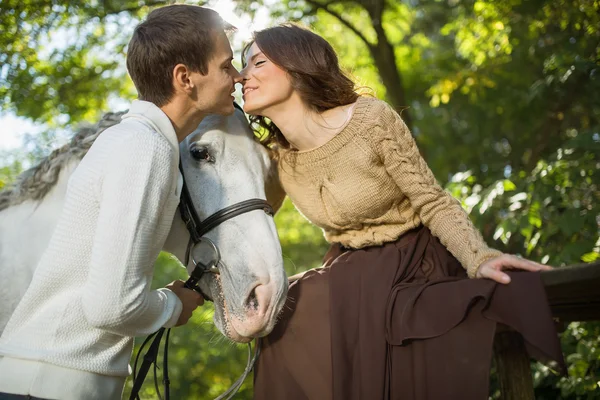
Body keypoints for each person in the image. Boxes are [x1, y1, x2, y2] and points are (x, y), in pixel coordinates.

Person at [240, 24, 565, 400]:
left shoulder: (369, 120)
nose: (243, 75)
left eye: (258, 62)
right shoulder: (278, 159)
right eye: (242, 65)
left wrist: (480, 258)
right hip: (349, 268)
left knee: (320, 305)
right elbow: (247, 220)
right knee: (283, 309)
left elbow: (431, 199)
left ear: (296, 66)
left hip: (414, 259)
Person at [0, 5, 242, 400]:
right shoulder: (144, 148)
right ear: (185, 78)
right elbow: (112, 306)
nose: (237, 77)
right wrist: (173, 305)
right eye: (226, 66)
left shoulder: (140, 142)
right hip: (53, 384)